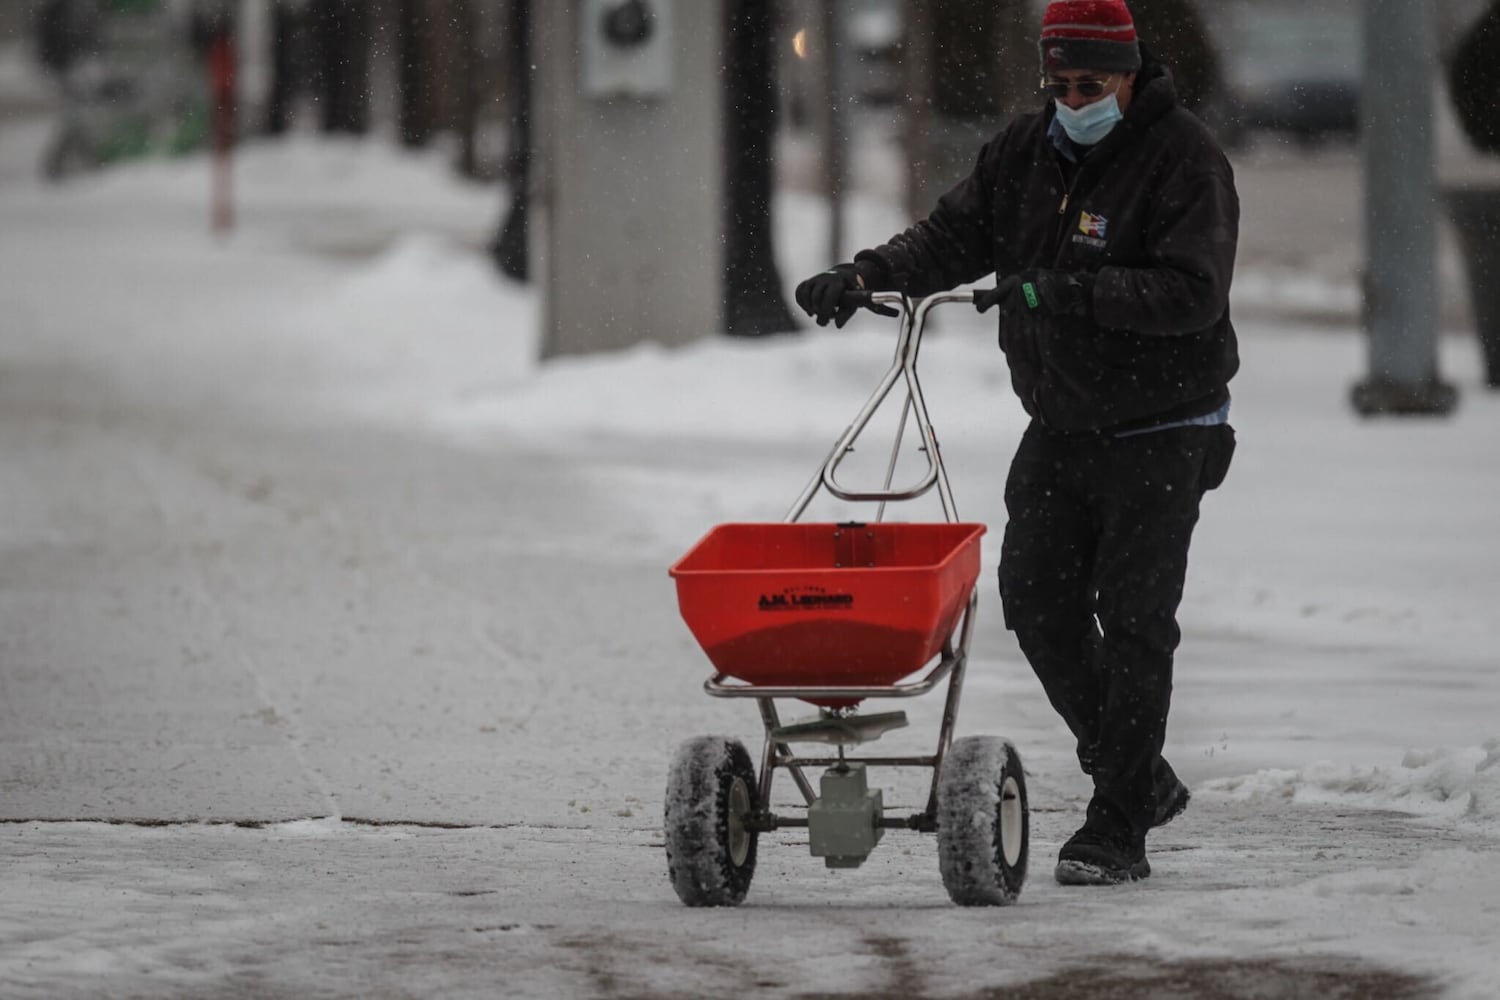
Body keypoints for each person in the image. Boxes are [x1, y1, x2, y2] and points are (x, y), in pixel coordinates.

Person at [794, 0, 1239, 886]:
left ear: (1128, 72)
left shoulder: (1184, 157)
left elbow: (1192, 292)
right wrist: (869, 273)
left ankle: (1117, 824)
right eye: (1061, 83)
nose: (1075, 99)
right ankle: (1138, 773)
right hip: (1063, 422)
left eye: (1092, 83)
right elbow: (956, 235)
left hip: (1164, 425)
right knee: (1035, 599)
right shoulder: (1024, 150)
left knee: (1139, 620)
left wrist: (1071, 291)